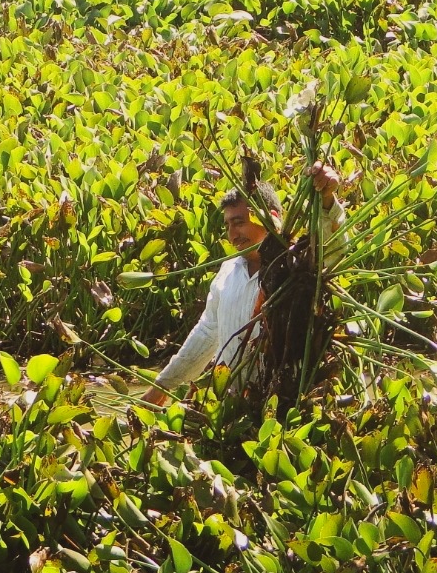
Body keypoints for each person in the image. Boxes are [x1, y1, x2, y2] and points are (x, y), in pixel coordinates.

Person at [141, 162, 345, 406]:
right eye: (227, 225)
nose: (232, 234)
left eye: (239, 223)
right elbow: (206, 333)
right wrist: (162, 385)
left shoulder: (298, 267)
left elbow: (332, 249)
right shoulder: (228, 272)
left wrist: (327, 200)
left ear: (272, 218)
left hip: (287, 402)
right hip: (236, 404)